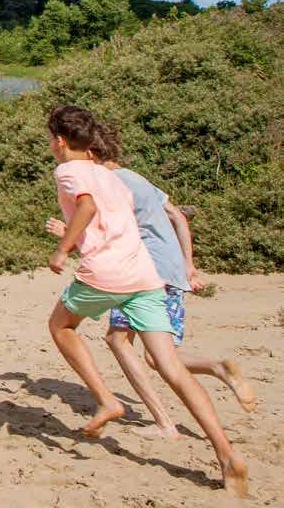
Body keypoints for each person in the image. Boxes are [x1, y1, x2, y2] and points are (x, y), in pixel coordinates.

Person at [46, 104, 248, 497]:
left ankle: (107, 401)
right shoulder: (117, 179)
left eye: (51, 140)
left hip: (106, 272)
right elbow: (113, 220)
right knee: (172, 367)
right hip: (144, 276)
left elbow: (86, 207)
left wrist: (63, 249)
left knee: (61, 326)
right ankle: (225, 454)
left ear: (59, 141)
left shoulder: (68, 170)